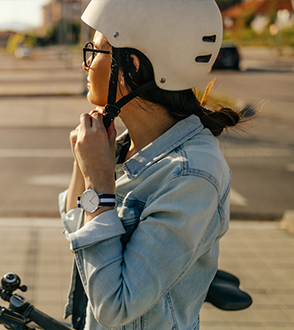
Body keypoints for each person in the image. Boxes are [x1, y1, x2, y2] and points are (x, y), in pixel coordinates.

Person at [58, 0, 247, 329]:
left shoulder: (191, 174)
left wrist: (98, 184)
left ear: (130, 64)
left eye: (96, 51)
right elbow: (75, 224)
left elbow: (115, 306)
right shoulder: (122, 144)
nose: (86, 66)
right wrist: (84, 163)